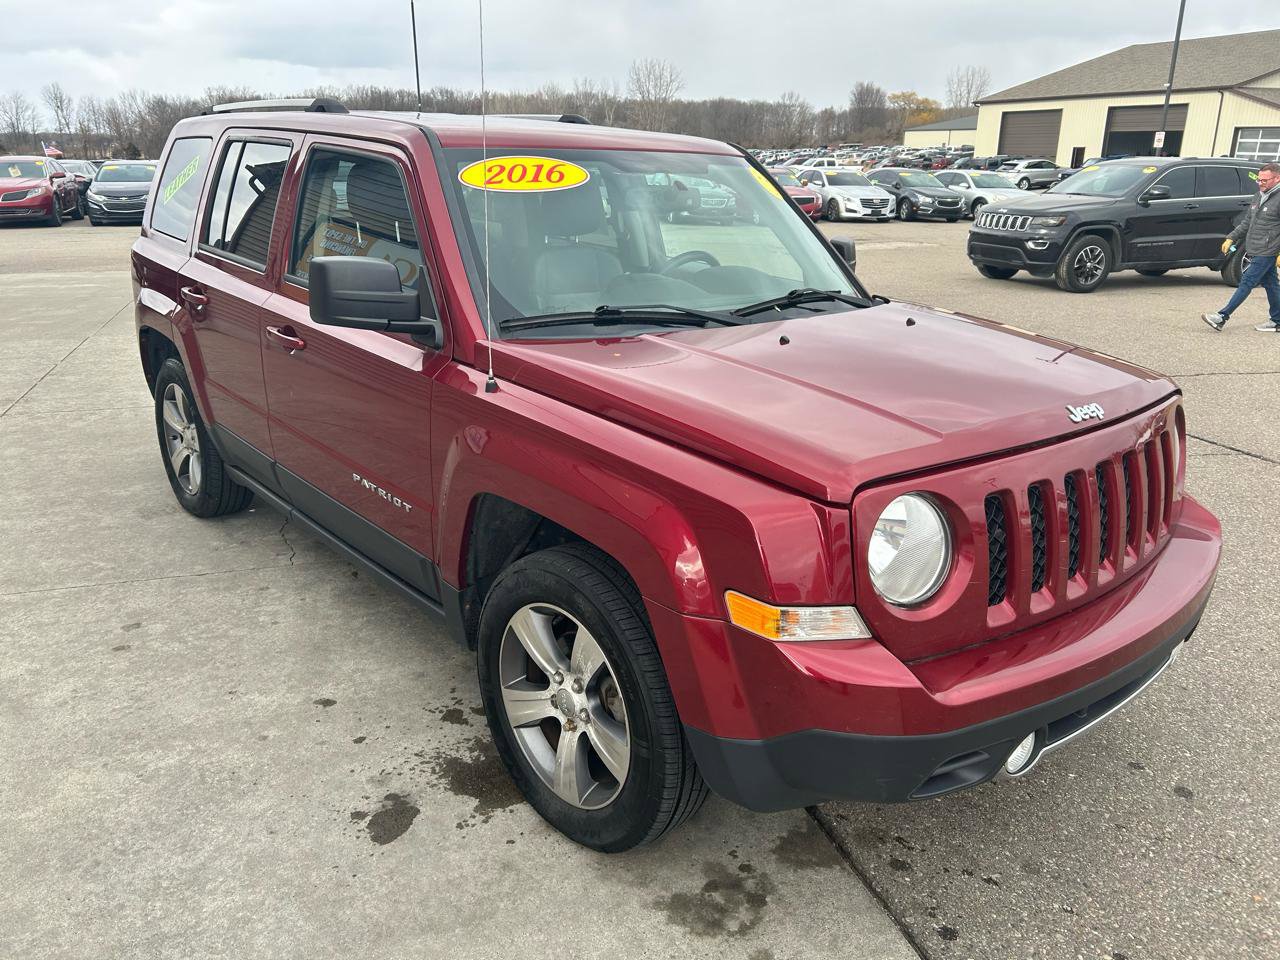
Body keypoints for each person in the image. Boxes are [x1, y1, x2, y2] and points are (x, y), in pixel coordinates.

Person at [1202, 162, 1280, 332]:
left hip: (1268, 250)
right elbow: (1247, 222)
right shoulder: (1259, 196)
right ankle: (1278, 320)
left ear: (1277, 178)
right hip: (1254, 247)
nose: (1260, 183)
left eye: (1265, 180)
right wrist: (1231, 238)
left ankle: (1222, 317)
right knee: (1272, 285)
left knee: (1247, 281)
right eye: (1259, 180)